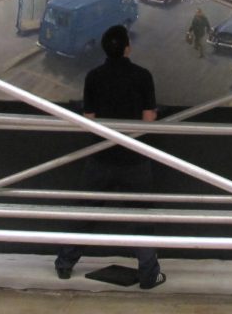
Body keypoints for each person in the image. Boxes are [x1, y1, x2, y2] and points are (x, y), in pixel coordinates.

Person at [54, 25, 166, 290]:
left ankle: (64, 264)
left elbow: (89, 119)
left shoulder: (93, 76)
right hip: (134, 159)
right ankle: (149, 275)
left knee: (84, 214)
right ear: (128, 47)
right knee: (142, 217)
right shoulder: (142, 76)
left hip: (100, 156)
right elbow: (149, 119)